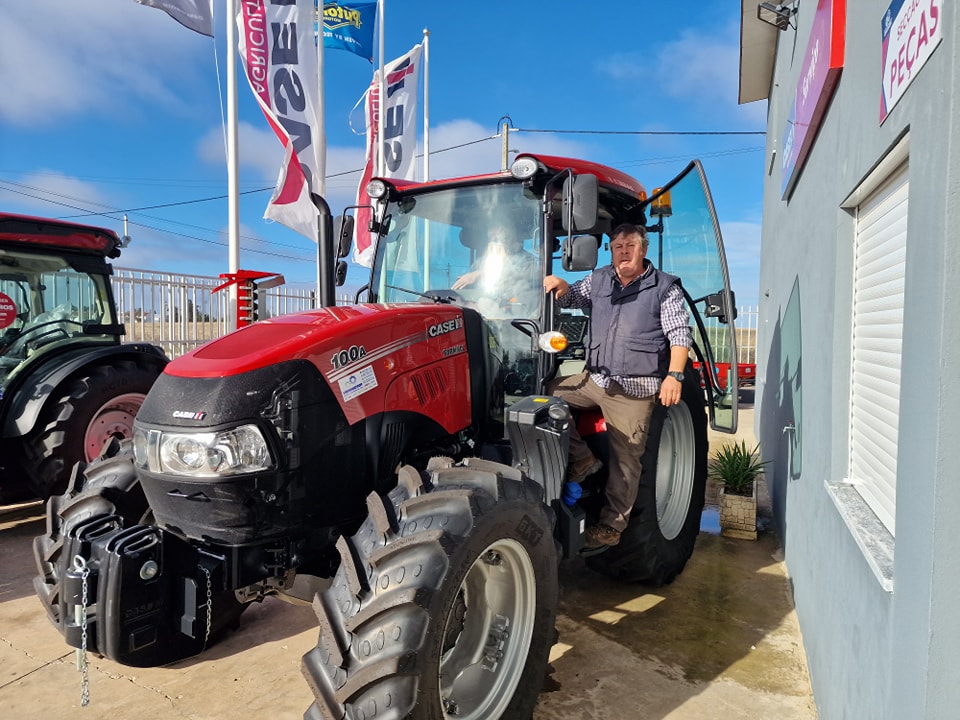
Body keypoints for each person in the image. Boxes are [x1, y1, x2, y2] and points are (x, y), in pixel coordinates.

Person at [543, 223, 692, 549]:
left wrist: (674, 375)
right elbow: (571, 295)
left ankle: (611, 526)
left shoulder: (663, 288)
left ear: (643, 249)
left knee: (626, 460)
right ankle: (581, 459)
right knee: (547, 396)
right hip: (596, 380)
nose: (623, 252)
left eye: (630, 246)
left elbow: (680, 335)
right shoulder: (599, 279)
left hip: (635, 389)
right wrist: (559, 284)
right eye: (617, 247)